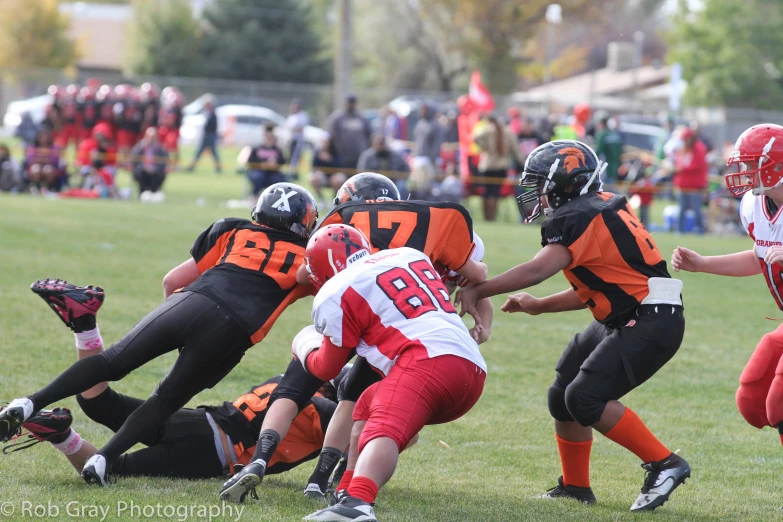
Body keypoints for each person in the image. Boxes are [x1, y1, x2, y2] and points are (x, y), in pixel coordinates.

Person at [0, 183, 318, 486]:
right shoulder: (309, 255)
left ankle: (29, 402)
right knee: (165, 399)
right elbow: (325, 288)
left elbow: (171, 281)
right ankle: (104, 458)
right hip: (233, 330)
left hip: (189, 301)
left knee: (112, 362)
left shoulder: (234, 229)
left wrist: (175, 327)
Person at [217, 172, 490, 504]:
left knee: (317, 396)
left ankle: (289, 470)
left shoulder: (339, 251)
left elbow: (323, 357)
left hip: (406, 346)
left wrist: (303, 344)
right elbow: (477, 274)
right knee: (360, 404)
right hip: (449, 348)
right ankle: (333, 482)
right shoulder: (413, 252)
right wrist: (482, 321)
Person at [457, 140, 690, 512]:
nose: (534, 191)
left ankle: (666, 463)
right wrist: (539, 307)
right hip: (636, 313)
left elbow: (537, 270)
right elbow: (598, 286)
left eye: (540, 182)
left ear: (566, 183)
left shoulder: (578, 215)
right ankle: (576, 487)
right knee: (563, 393)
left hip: (649, 320)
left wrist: (480, 288)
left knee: (584, 397)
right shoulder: (598, 206)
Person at [6, 288, 348, 480]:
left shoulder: (288, 383)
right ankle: (61, 435)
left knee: (98, 401)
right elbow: (358, 442)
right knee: (116, 469)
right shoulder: (329, 413)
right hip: (209, 454)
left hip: (197, 420)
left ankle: (85, 327)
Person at [293, 225, 487, 521]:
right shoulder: (408, 255)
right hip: (470, 367)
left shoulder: (335, 290)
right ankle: (346, 490)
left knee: (381, 426)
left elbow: (327, 368)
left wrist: (304, 345)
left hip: (428, 361)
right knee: (367, 404)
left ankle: (357, 503)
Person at [672, 123, 783, 449]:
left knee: (779, 403)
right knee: (752, 400)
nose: (745, 172)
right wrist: (704, 264)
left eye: (751, 165)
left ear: (777, 166)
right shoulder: (753, 205)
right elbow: (759, 257)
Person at [472, 115, 524, 221]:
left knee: (486, 192)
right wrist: (524, 164)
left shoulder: (487, 131)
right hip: (501, 166)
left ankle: (487, 217)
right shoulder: (508, 133)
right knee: (494, 192)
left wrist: (484, 146)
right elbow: (516, 151)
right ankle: (491, 217)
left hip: (486, 166)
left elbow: (475, 138)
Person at [673, 127, 708, 234]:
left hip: (695, 186)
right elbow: (678, 162)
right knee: (681, 209)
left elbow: (698, 165)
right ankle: (680, 230)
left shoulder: (699, 149)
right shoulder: (682, 149)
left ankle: (700, 229)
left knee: (697, 209)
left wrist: (682, 168)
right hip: (682, 185)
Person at [239, 125, 286, 198]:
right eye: (267, 137)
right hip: (259, 171)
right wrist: (262, 164)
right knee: (258, 177)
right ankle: (254, 194)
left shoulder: (277, 149)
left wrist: (275, 162)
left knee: (277, 179)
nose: (269, 139)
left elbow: (283, 161)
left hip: (273, 172)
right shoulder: (257, 148)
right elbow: (250, 160)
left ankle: (276, 197)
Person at [327, 95, 371, 171]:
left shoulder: (361, 117)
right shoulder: (338, 117)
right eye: (349, 103)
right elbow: (332, 133)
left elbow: (369, 134)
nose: (351, 105)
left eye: (352, 103)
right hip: (342, 153)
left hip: (359, 152)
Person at [130, 127, 168, 197]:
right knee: (141, 173)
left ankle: (154, 193)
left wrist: (154, 168)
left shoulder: (160, 149)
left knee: (156, 175)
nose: (151, 138)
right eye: (150, 136)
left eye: (153, 137)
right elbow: (134, 161)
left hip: (155, 171)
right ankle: (142, 193)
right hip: (142, 170)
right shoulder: (139, 147)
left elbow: (163, 162)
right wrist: (144, 167)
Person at [25, 128, 66, 193]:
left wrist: (39, 159)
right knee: (36, 169)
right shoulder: (33, 147)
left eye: (45, 137)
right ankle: (36, 187)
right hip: (36, 166)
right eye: (42, 137)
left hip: (50, 167)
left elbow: (55, 160)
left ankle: (49, 187)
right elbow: (30, 159)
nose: (44, 139)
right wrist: (45, 159)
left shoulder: (54, 148)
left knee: (48, 170)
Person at [187, 98, 222, 173]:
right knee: (199, 152)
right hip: (206, 136)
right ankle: (192, 166)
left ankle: (218, 168)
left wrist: (209, 134)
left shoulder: (213, 114)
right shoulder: (206, 113)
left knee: (213, 153)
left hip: (210, 136)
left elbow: (213, 126)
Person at [309, 137, 345, 205]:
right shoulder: (318, 151)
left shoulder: (335, 151)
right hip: (323, 176)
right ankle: (321, 199)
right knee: (313, 178)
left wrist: (330, 159)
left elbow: (341, 165)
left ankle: (335, 199)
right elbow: (314, 166)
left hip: (335, 174)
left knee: (336, 180)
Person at [593, 116, 624, 193]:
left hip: (604, 167)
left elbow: (598, 151)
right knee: (611, 187)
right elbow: (620, 151)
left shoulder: (602, 134)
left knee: (602, 190)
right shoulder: (615, 134)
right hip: (614, 166)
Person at [413, 104, 442, 168]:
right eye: (422, 110)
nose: (423, 112)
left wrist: (432, 158)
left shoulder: (435, 125)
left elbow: (437, 143)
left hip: (429, 158)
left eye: (425, 111)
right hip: (419, 156)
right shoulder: (420, 124)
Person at [285, 98, 309, 171]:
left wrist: (294, 129)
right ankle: (293, 171)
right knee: (291, 156)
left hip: (298, 140)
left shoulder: (303, 115)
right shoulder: (291, 116)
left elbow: (300, 128)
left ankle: (294, 171)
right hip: (291, 139)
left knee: (296, 157)